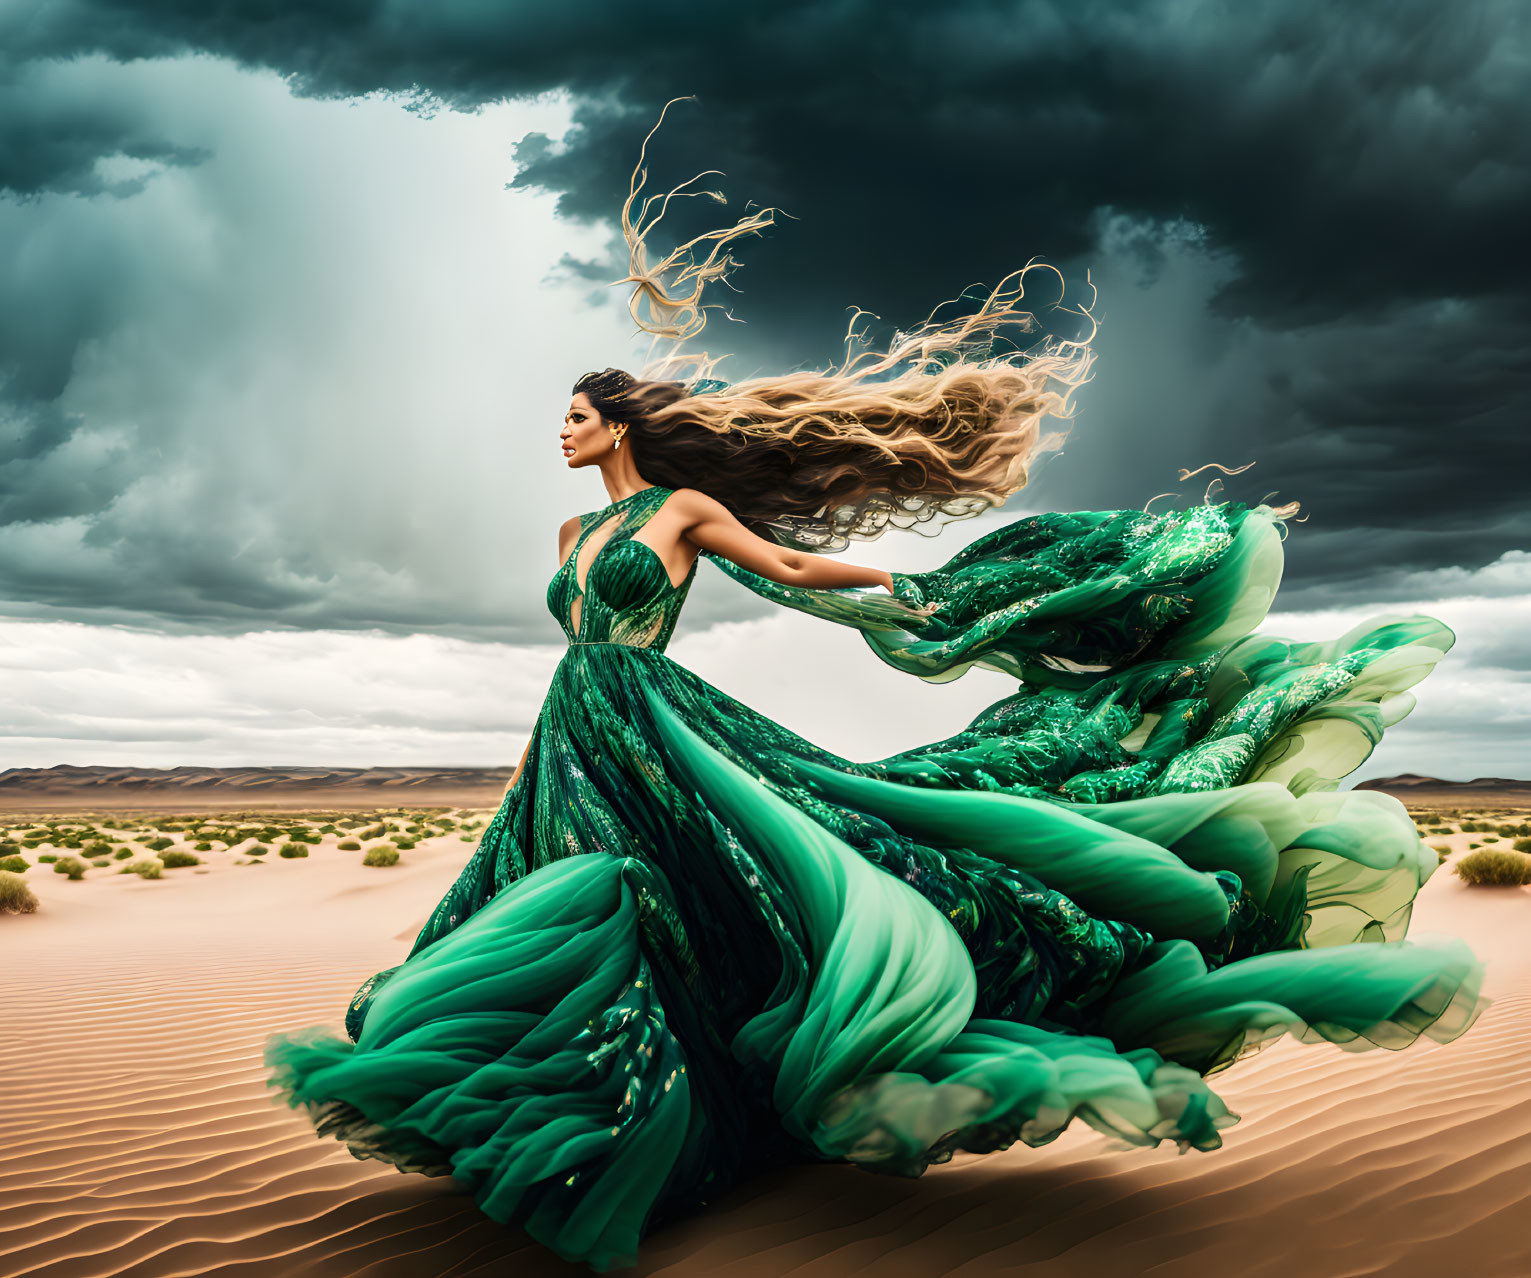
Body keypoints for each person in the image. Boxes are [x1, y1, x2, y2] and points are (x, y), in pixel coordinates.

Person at [262, 101, 1488, 1272]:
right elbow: (577, 640)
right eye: (562, 420)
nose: (562, 432)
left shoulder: (683, 508)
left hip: (652, 713)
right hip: (579, 720)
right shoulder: (561, 540)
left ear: (619, 426)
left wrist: (902, 593)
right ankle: (597, 1088)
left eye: (577, 417)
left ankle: (683, 1115)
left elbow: (787, 559)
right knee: (586, 898)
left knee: (724, 876)